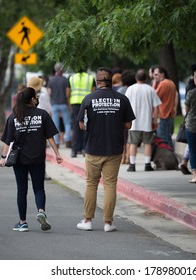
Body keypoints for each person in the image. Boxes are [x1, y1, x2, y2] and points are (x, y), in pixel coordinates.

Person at [76, 67, 135, 232]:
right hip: (114, 149)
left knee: (91, 184)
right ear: (111, 81)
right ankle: (108, 223)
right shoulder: (122, 99)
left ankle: (87, 221)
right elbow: (128, 124)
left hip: (93, 148)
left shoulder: (88, 99)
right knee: (110, 185)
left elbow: (81, 124)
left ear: (97, 82)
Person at [0, 87, 63, 232]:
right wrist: (57, 153)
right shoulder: (42, 114)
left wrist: (3, 158)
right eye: (35, 96)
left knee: (22, 190)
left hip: (19, 159)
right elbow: (50, 137)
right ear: (32, 99)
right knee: (39, 187)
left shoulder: (14, 116)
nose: (37, 98)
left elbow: (8, 141)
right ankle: (41, 211)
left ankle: (23, 222)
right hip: (38, 157)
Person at [125, 69, 162, 172]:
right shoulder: (150, 89)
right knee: (148, 143)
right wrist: (155, 120)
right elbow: (156, 107)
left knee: (133, 143)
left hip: (134, 123)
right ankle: (147, 164)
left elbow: (125, 106)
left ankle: (132, 165)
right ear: (145, 78)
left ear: (136, 78)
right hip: (147, 122)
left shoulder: (130, 89)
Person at [27, 76, 53, 181]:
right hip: (40, 123)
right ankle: (43, 172)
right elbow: (48, 109)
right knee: (41, 150)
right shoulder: (43, 95)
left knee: (28, 149)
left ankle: (29, 172)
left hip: (28, 123)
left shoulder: (25, 94)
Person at [69, 68, 96, 158]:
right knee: (86, 126)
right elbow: (93, 91)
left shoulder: (71, 78)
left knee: (75, 127)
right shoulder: (90, 78)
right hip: (87, 104)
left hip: (75, 104)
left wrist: (70, 106)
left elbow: (68, 93)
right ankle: (85, 149)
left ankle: (74, 151)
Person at [153, 65, 177, 150]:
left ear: (162, 74)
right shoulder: (171, 83)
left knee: (163, 140)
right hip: (169, 114)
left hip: (163, 115)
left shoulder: (163, 84)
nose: (154, 76)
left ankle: (168, 159)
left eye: (156, 74)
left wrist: (154, 84)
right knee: (168, 138)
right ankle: (171, 159)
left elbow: (153, 97)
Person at [48, 62, 71, 148]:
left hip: (54, 104)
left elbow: (49, 93)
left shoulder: (51, 80)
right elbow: (67, 94)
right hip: (63, 104)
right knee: (67, 123)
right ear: (62, 69)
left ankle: (56, 142)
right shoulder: (65, 80)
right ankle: (68, 140)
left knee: (55, 124)